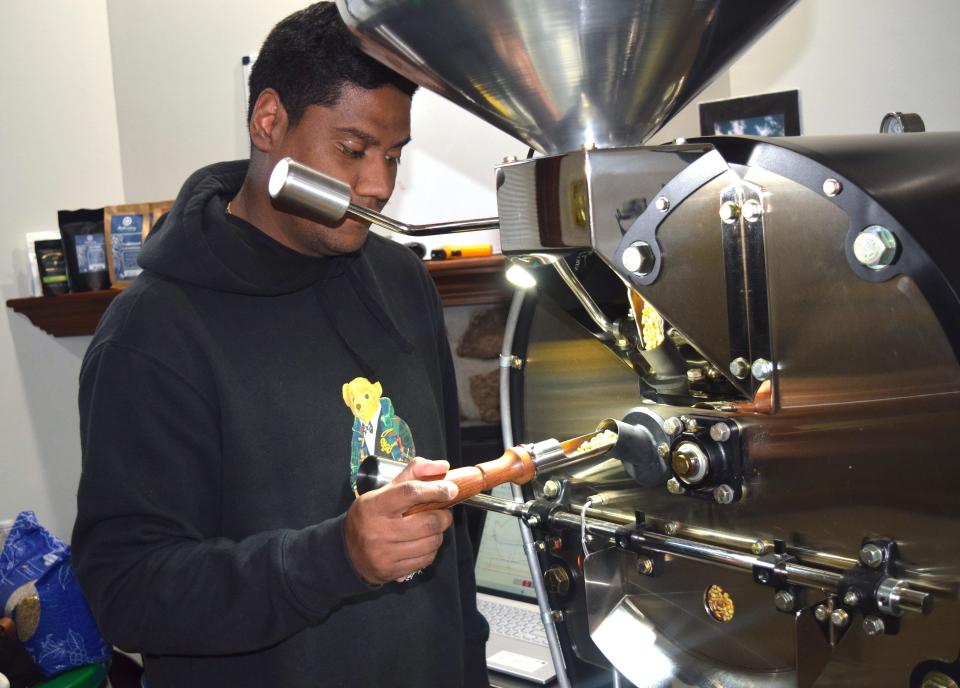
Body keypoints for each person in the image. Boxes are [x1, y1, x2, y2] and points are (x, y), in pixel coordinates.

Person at [71, 3, 489, 686]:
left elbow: (451, 549)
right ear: (270, 122)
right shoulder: (151, 333)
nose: (378, 186)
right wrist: (337, 558)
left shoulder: (401, 281)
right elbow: (126, 592)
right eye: (352, 150)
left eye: (392, 155)